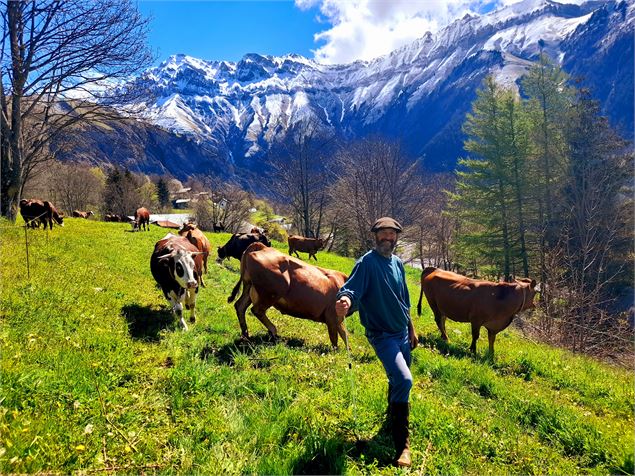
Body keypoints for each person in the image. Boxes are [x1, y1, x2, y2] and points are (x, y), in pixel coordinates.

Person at [335, 216, 418, 468]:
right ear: (375, 236)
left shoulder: (397, 263)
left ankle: (392, 415)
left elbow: (404, 299)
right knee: (404, 380)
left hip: (402, 332)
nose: (388, 238)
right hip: (382, 335)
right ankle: (402, 445)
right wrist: (346, 302)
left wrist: (411, 328)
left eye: (392, 234)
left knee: (397, 381)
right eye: (383, 233)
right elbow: (350, 289)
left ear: (396, 237)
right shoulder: (367, 263)